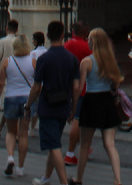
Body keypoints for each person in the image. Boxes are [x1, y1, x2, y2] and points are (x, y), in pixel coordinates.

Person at [27, 20, 80, 185]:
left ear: (48, 35)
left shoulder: (44, 59)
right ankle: (46, 177)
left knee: (54, 145)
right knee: (54, 141)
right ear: (63, 35)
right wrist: (73, 107)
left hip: (48, 106)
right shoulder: (72, 59)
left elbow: (36, 87)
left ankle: (63, 182)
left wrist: (28, 105)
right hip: (64, 105)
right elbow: (76, 87)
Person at [75, 28, 124, 185]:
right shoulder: (110, 60)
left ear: (93, 41)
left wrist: (72, 108)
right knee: (110, 144)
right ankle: (117, 178)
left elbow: (80, 87)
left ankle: (79, 178)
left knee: (84, 145)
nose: (87, 40)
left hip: (91, 101)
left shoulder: (87, 61)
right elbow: (116, 84)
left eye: (89, 38)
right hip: (107, 101)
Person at [0, 33, 35, 177]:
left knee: (11, 132)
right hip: (27, 100)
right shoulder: (33, 62)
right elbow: (38, 84)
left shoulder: (7, 62)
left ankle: (10, 157)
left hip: (11, 98)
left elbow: (1, 84)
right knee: (23, 133)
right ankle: (21, 167)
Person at [62, 21, 91, 166]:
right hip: (82, 87)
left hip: (67, 85)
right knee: (78, 120)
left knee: (79, 120)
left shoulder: (67, 44)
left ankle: (83, 145)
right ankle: (70, 153)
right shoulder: (86, 47)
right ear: (84, 32)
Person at [0, 16, 20, 140]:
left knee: (7, 106)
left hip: (4, 74)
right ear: (17, 29)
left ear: (7, 28)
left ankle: (14, 133)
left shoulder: (3, 41)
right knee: (10, 106)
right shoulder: (19, 42)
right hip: (17, 75)